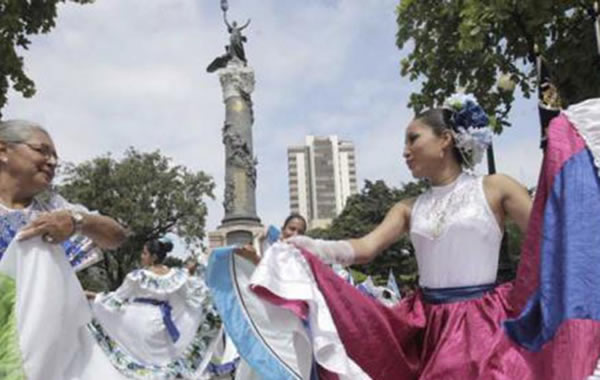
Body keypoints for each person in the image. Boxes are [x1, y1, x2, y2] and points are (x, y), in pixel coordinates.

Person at [220, 95, 600, 379]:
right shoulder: (407, 207)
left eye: (413, 139)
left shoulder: (496, 187)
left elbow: (552, 238)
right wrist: (308, 246)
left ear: (445, 139)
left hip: (486, 324)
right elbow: (364, 249)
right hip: (425, 327)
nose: (404, 151)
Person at [0, 119, 128, 380]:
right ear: (3, 151)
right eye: (42, 150)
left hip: (45, 354)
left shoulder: (54, 209)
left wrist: (77, 221)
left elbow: (116, 236)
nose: (52, 162)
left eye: (55, 156)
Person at [88, 237, 221, 380]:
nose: (141, 256)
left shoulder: (137, 276)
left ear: (153, 257)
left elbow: (116, 299)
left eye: (144, 253)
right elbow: (193, 298)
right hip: (164, 326)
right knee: (163, 365)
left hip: (140, 323)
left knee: (140, 362)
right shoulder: (177, 276)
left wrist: (95, 298)